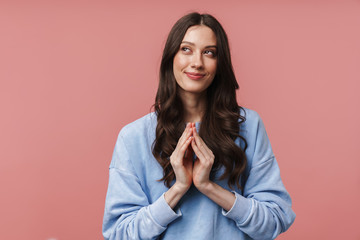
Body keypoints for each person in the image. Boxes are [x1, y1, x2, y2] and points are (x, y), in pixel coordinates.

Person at [102, 12, 295, 240]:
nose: (197, 62)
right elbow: (119, 234)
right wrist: (178, 188)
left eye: (209, 53)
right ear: (171, 57)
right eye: (186, 49)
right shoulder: (133, 137)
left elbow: (275, 220)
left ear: (219, 62)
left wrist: (208, 186)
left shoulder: (248, 126)